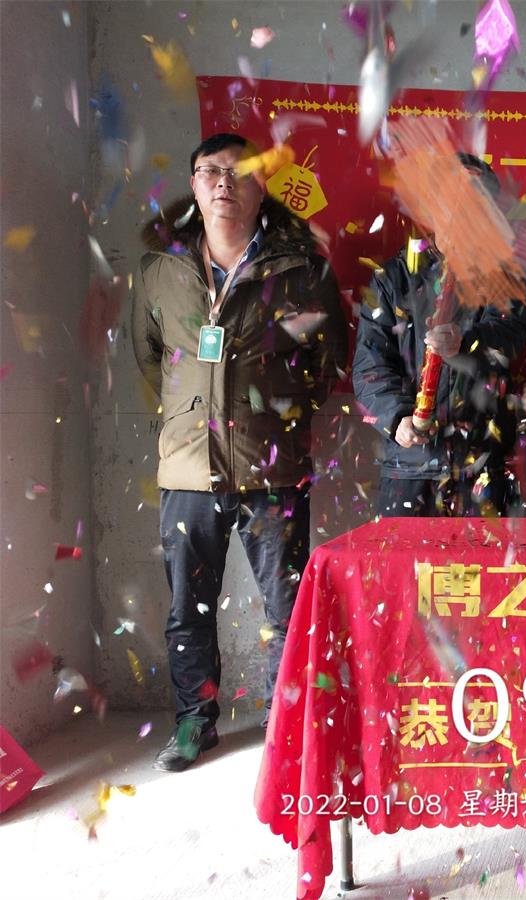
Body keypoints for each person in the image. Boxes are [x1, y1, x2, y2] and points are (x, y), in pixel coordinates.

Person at [132, 132, 348, 771]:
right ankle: (194, 723)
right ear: (194, 186)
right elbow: (151, 359)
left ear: (261, 188)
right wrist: (190, 417)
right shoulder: (160, 270)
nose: (224, 182)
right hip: (187, 468)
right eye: (211, 171)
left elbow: (329, 361)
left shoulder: (302, 269)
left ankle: (288, 729)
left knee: (287, 610)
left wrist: (276, 419)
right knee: (186, 612)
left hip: (272, 466)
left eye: (240, 172)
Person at [352, 154, 526, 517]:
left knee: (483, 557)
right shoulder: (393, 276)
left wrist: (466, 339)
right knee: (400, 556)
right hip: (409, 466)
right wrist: (396, 419)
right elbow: (370, 365)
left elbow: (512, 336)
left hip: (480, 464)